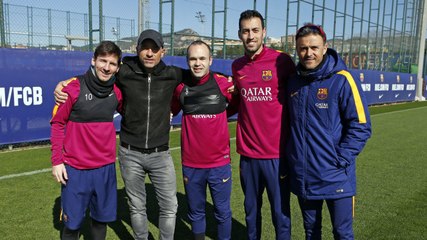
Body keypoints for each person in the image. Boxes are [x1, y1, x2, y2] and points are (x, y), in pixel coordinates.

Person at [54, 29, 183, 240]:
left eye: (154, 49)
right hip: (124, 154)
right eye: (145, 48)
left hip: (156, 154)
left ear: (163, 51)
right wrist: (63, 84)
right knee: (135, 207)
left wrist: (172, 110)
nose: (149, 53)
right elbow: (61, 118)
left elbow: (200, 75)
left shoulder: (173, 73)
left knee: (168, 206)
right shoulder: (122, 72)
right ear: (137, 49)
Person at [286, 24, 372, 240]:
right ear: (297, 49)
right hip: (305, 176)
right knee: (311, 232)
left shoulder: (343, 79)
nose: (309, 53)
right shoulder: (293, 82)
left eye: (314, 47)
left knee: (342, 233)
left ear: (325, 47)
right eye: (303, 48)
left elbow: (361, 126)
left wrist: (340, 159)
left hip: (336, 176)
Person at [231, 10, 296, 240]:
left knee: (280, 215)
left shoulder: (282, 61)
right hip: (248, 157)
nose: (251, 36)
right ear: (240, 34)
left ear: (264, 33)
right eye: (246, 31)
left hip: (276, 156)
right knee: (251, 214)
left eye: (255, 30)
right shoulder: (237, 66)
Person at [50, 41, 123, 240]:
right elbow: (57, 124)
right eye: (102, 61)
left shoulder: (117, 92)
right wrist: (57, 161)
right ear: (93, 60)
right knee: (72, 225)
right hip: (75, 170)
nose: (107, 67)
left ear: (118, 67)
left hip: (105, 168)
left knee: (101, 221)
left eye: (112, 63)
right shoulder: (72, 88)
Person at [171, 40, 233, 240]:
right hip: (191, 164)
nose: (197, 63)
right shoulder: (180, 88)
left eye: (202, 58)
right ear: (187, 61)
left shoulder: (225, 84)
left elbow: (241, 105)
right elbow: (169, 110)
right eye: (193, 59)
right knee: (196, 212)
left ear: (210, 60)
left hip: (220, 163)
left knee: (222, 212)